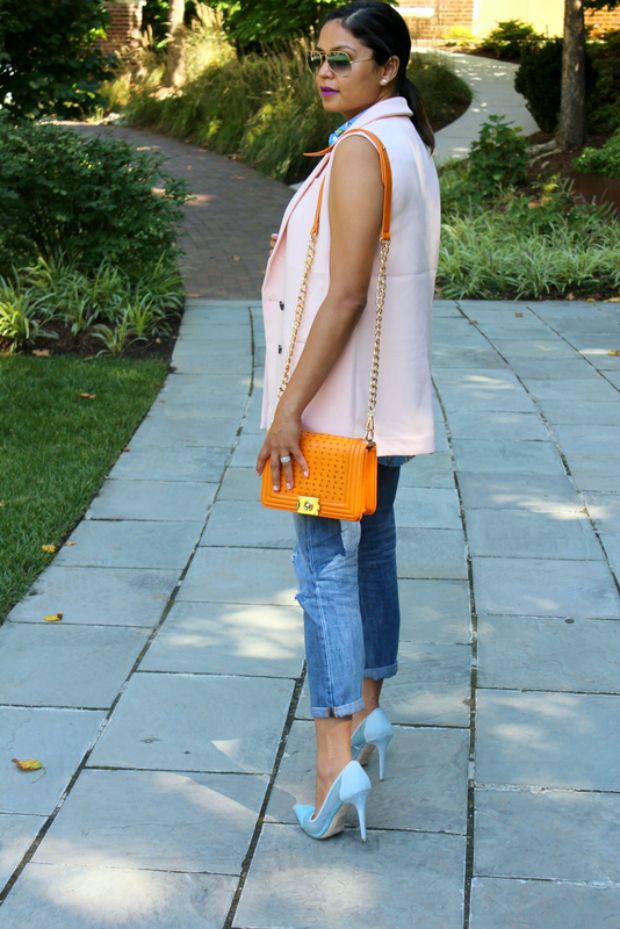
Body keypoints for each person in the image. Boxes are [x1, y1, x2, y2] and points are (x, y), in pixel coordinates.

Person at [256, 0, 441, 842]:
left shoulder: (365, 148)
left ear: (388, 66)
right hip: (383, 407)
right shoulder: (406, 143)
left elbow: (346, 295)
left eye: (343, 58)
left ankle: (334, 764)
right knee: (375, 549)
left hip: (334, 411)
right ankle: (368, 712)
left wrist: (286, 410)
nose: (325, 73)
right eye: (319, 59)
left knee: (322, 567)